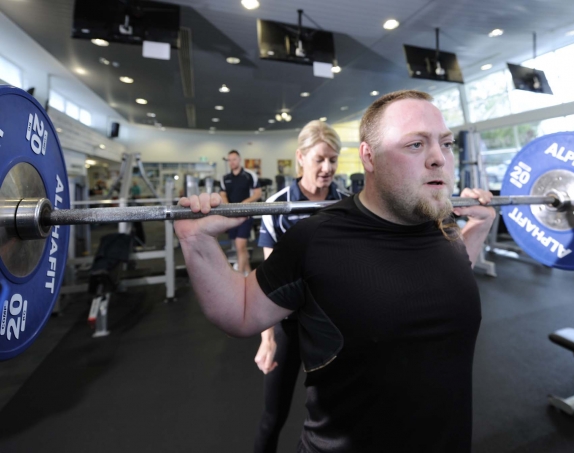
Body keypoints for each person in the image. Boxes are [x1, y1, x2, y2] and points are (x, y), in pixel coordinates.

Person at [175, 90, 495, 452]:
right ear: (369, 157)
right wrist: (197, 241)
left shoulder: (446, 227)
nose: (439, 157)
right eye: (416, 144)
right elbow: (243, 311)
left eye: (447, 143)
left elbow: (453, 275)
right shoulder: (315, 237)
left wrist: (478, 229)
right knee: (273, 413)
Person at [254, 120, 350, 453]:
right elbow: (269, 282)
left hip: (332, 324)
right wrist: (267, 338)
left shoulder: (347, 203)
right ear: (301, 157)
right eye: (320, 159)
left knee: (336, 415)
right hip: (290, 324)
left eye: (333, 160)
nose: (327, 168)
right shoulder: (276, 207)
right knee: (273, 416)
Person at [219, 150, 262, 274]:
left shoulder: (249, 175)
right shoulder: (225, 178)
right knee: (240, 248)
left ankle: (239, 277)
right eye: (229, 160)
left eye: (234, 159)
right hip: (232, 216)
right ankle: (249, 275)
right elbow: (223, 194)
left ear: (239, 159)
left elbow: (258, 194)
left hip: (245, 215)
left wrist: (243, 203)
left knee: (240, 245)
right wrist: (228, 207)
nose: (232, 162)